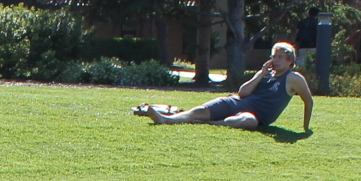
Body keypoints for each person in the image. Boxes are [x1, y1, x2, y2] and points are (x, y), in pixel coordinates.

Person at [133, 41, 313, 132]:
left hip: (255, 116)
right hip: (235, 103)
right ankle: (166, 119)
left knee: (247, 122)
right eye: (274, 56)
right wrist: (260, 74)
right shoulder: (266, 74)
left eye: (280, 57)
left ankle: (207, 123)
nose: (276, 60)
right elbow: (242, 93)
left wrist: (305, 127)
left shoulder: (293, 78)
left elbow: (308, 100)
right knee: (199, 110)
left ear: (290, 61)